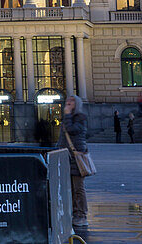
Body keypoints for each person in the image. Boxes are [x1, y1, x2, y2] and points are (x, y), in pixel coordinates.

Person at [58, 94, 89, 230]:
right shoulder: (68, 118)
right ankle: (73, 213)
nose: (68, 103)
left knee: (78, 188)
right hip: (66, 157)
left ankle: (81, 214)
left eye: (72, 101)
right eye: (67, 101)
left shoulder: (80, 118)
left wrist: (67, 115)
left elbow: (72, 131)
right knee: (69, 188)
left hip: (76, 157)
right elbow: (62, 138)